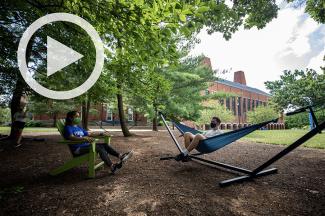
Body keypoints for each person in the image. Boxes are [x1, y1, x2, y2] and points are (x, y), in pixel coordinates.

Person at [64, 111, 133, 174]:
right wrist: (83, 138)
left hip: (86, 146)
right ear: (70, 118)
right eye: (76, 117)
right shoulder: (68, 127)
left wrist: (101, 134)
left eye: (78, 116)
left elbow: (89, 134)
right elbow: (71, 137)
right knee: (99, 148)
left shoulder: (78, 127)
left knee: (104, 145)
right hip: (78, 149)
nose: (78, 118)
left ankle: (120, 156)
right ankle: (112, 166)